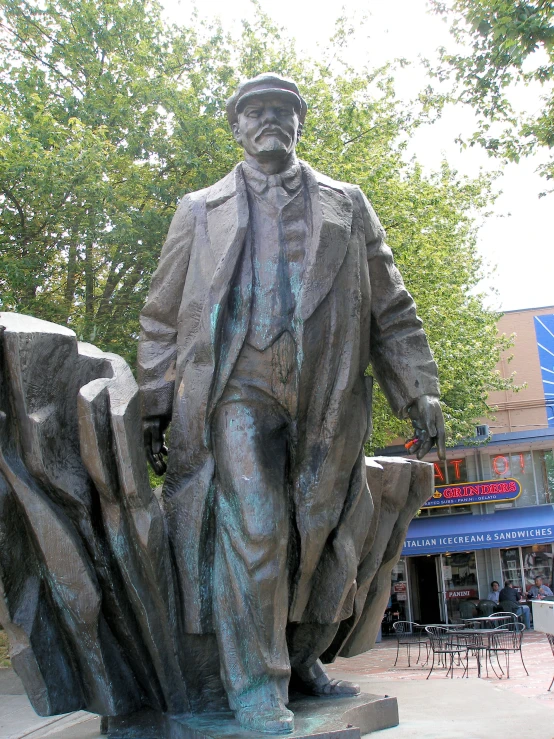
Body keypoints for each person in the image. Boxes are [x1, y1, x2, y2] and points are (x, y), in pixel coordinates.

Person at [138, 73, 445, 734]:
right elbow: (161, 317)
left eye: (282, 110)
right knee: (256, 523)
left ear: (300, 121)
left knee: (324, 531)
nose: (270, 120)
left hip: (327, 390)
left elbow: (392, 307)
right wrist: (156, 401)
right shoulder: (199, 210)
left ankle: (300, 654)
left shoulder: (348, 203)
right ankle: (255, 684)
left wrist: (419, 388)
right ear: (237, 126)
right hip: (236, 387)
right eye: (256, 111)